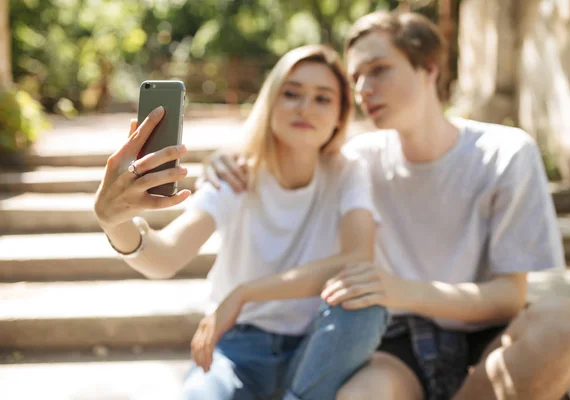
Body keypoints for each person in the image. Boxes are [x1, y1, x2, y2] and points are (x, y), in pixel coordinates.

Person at [206, 11, 570, 400]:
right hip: (396, 348)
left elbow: (509, 297)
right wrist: (227, 157)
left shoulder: (506, 152)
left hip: (490, 338)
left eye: (378, 70)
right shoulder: (355, 161)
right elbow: (281, 159)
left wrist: (400, 290)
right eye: (356, 78)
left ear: (429, 67)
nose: (364, 90)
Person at [93, 44, 388, 400]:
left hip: (317, 349)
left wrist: (246, 292)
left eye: (322, 98)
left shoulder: (348, 172)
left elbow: (358, 259)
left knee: (365, 304)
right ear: (270, 102)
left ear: (341, 114)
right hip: (237, 348)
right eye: (291, 93)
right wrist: (115, 222)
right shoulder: (236, 172)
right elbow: (166, 256)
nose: (304, 107)